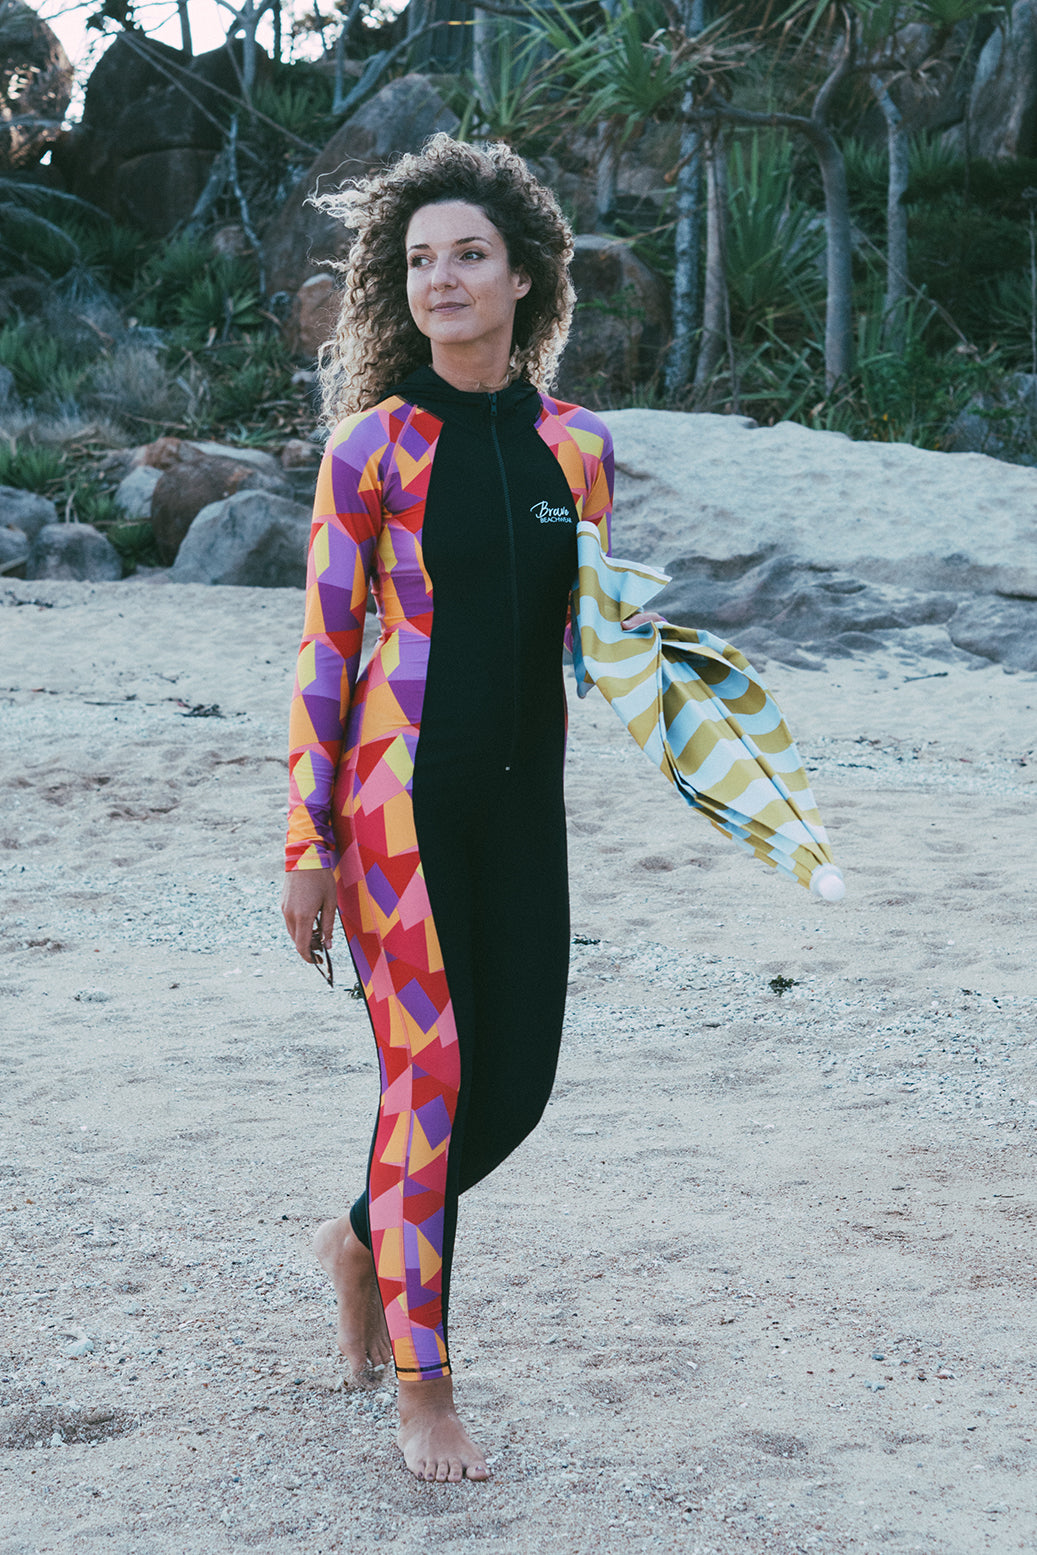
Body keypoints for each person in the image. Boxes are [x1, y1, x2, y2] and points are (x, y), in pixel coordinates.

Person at [281, 133, 644, 1485]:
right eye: (420, 259)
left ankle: (358, 1238)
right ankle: (424, 1385)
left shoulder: (578, 449)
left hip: (522, 808)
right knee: (428, 1084)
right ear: (399, 284)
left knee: (517, 1086)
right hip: (397, 812)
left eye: (468, 255)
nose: (443, 278)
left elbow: (591, 643)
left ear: (524, 274)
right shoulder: (372, 449)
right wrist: (304, 848)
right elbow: (325, 660)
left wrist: (680, 691)